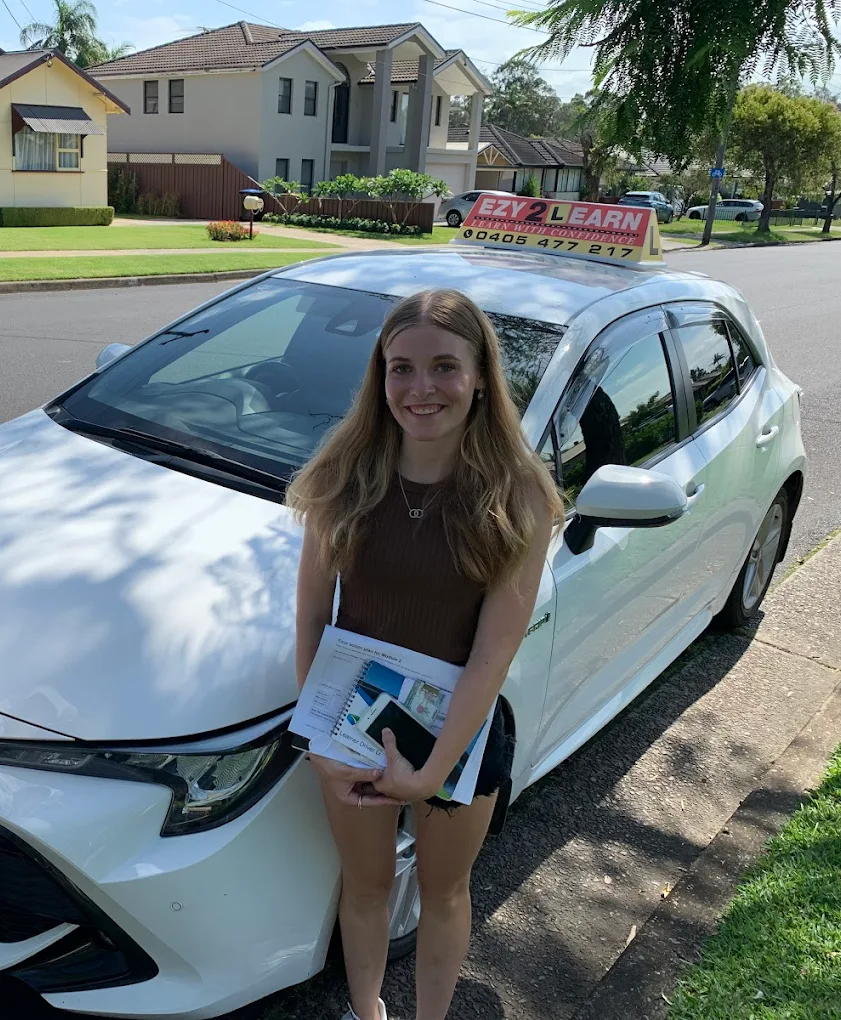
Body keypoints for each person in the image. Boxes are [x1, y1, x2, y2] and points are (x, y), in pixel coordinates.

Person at [286, 289, 562, 1020]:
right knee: (366, 886)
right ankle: (367, 1010)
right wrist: (320, 744)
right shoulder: (341, 476)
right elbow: (312, 619)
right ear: (380, 376)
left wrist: (433, 769)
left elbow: (495, 650)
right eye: (400, 368)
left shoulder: (519, 497)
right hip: (349, 726)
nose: (421, 388)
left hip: (460, 738)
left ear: (479, 376)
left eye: (444, 366)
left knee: (443, 892)